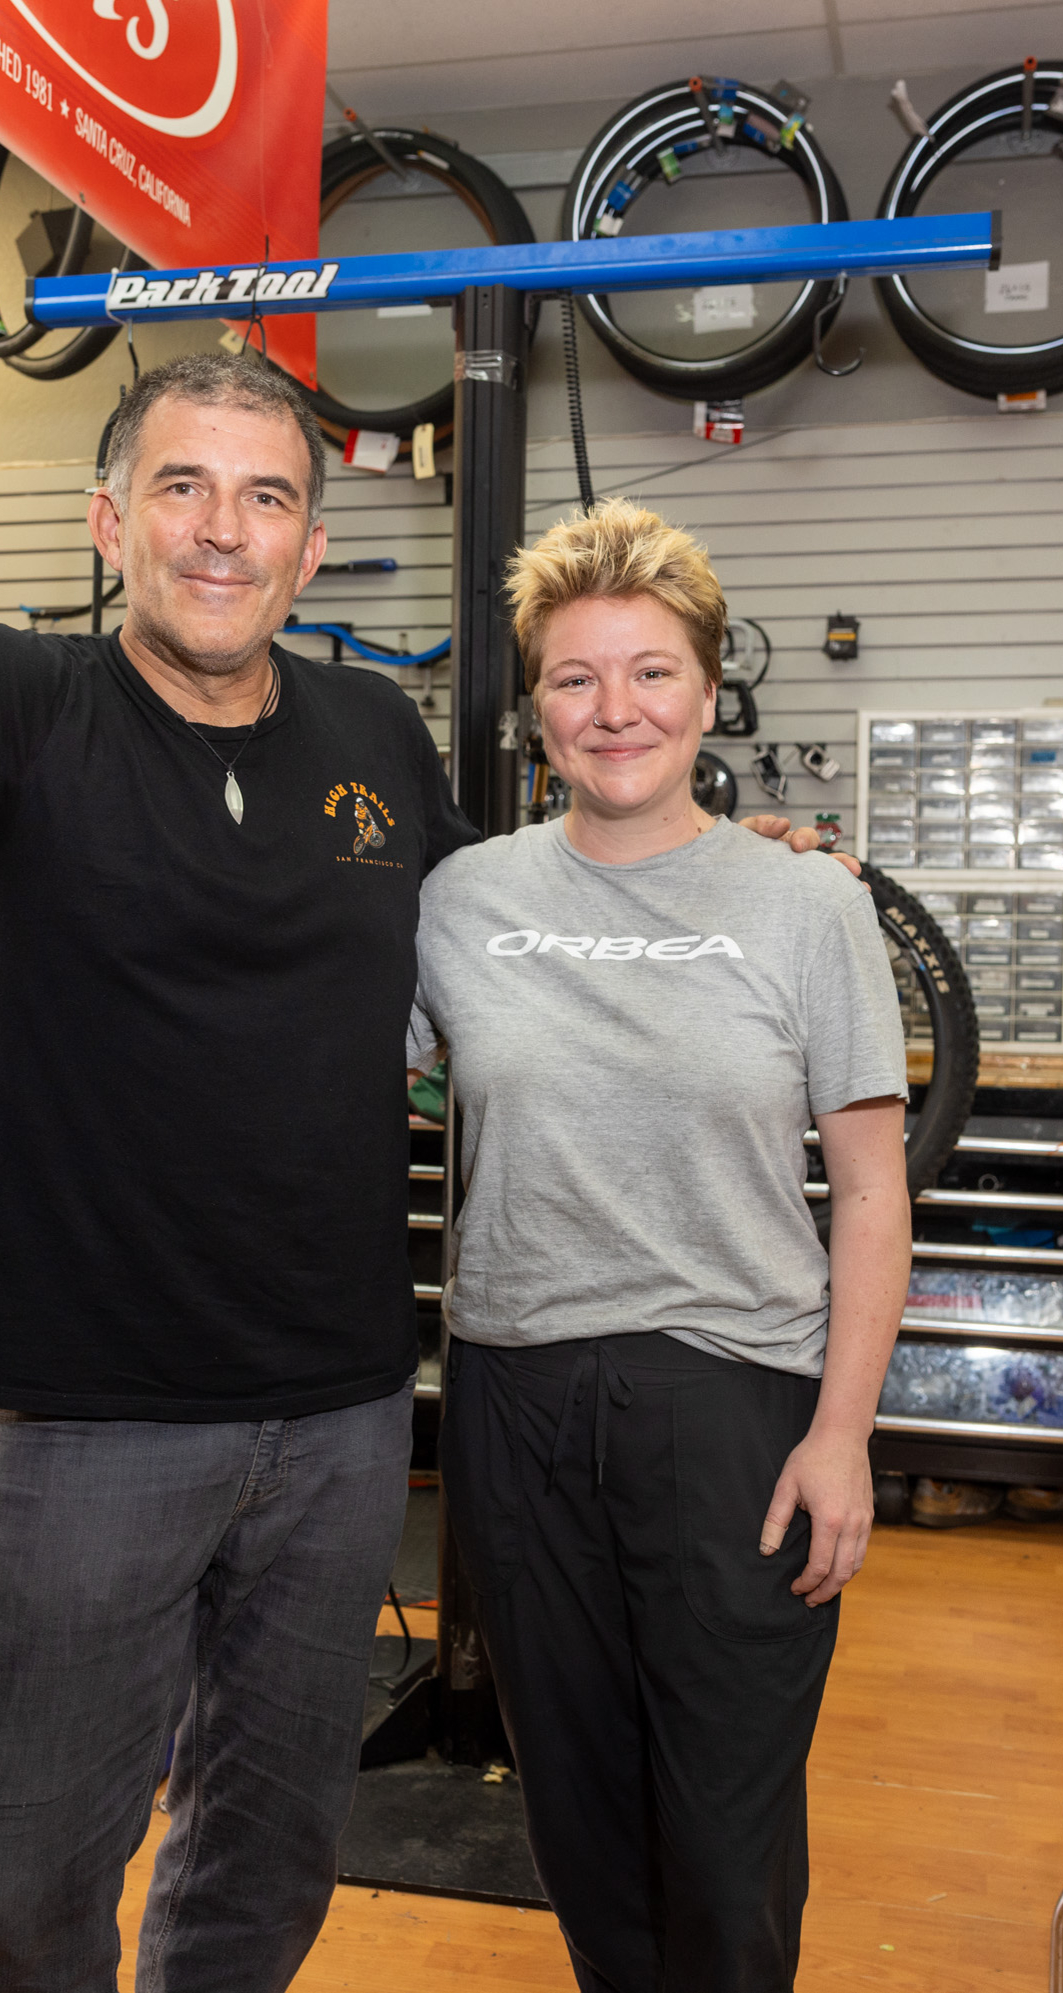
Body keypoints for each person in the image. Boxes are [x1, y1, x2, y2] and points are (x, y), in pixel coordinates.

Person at [0, 359, 852, 1991]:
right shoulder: (14, 710)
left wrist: (739, 880)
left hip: (339, 1427)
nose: (223, 531)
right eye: (182, 488)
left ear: (310, 547)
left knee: (266, 1867)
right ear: (112, 522)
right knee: (33, 1877)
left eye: (266, 496)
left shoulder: (374, 731)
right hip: (88, 1429)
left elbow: (538, 938)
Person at [407, 500, 912, 1993]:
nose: (611, 708)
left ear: (702, 693)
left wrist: (842, 1434)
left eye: (646, 672)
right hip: (513, 1399)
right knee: (576, 1816)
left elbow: (871, 1193)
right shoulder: (459, 902)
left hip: (730, 1404)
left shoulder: (806, 904)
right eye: (573, 677)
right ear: (532, 708)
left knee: (722, 1834)